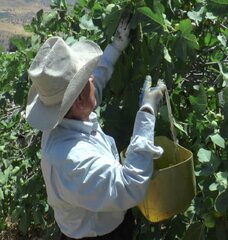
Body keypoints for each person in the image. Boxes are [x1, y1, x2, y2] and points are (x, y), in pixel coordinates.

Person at [25, 17, 166, 240]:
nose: (92, 76)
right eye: (86, 77)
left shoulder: (69, 115)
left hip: (110, 222)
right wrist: (147, 112)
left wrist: (117, 46)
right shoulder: (72, 159)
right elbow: (131, 186)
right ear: (78, 99)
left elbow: (94, 84)